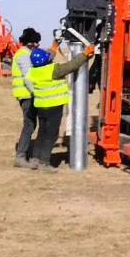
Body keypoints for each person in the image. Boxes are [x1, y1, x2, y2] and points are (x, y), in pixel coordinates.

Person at [22, 43, 93, 171]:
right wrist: (85, 55)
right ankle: (45, 162)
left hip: (41, 107)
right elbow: (71, 66)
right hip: (54, 107)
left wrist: (54, 47)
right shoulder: (53, 70)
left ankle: (35, 159)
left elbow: (47, 57)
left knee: (42, 133)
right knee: (52, 135)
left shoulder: (33, 72)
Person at [11, 28, 43, 167]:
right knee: (29, 125)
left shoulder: (25, 53)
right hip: (27, 95)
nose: (37, 46)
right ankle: (21, 156)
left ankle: (23, 154)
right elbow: (28, 77)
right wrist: (37, 93)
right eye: (36, 44)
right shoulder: (24, 55)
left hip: (27, 95)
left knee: (31, 124)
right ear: (30, 43)